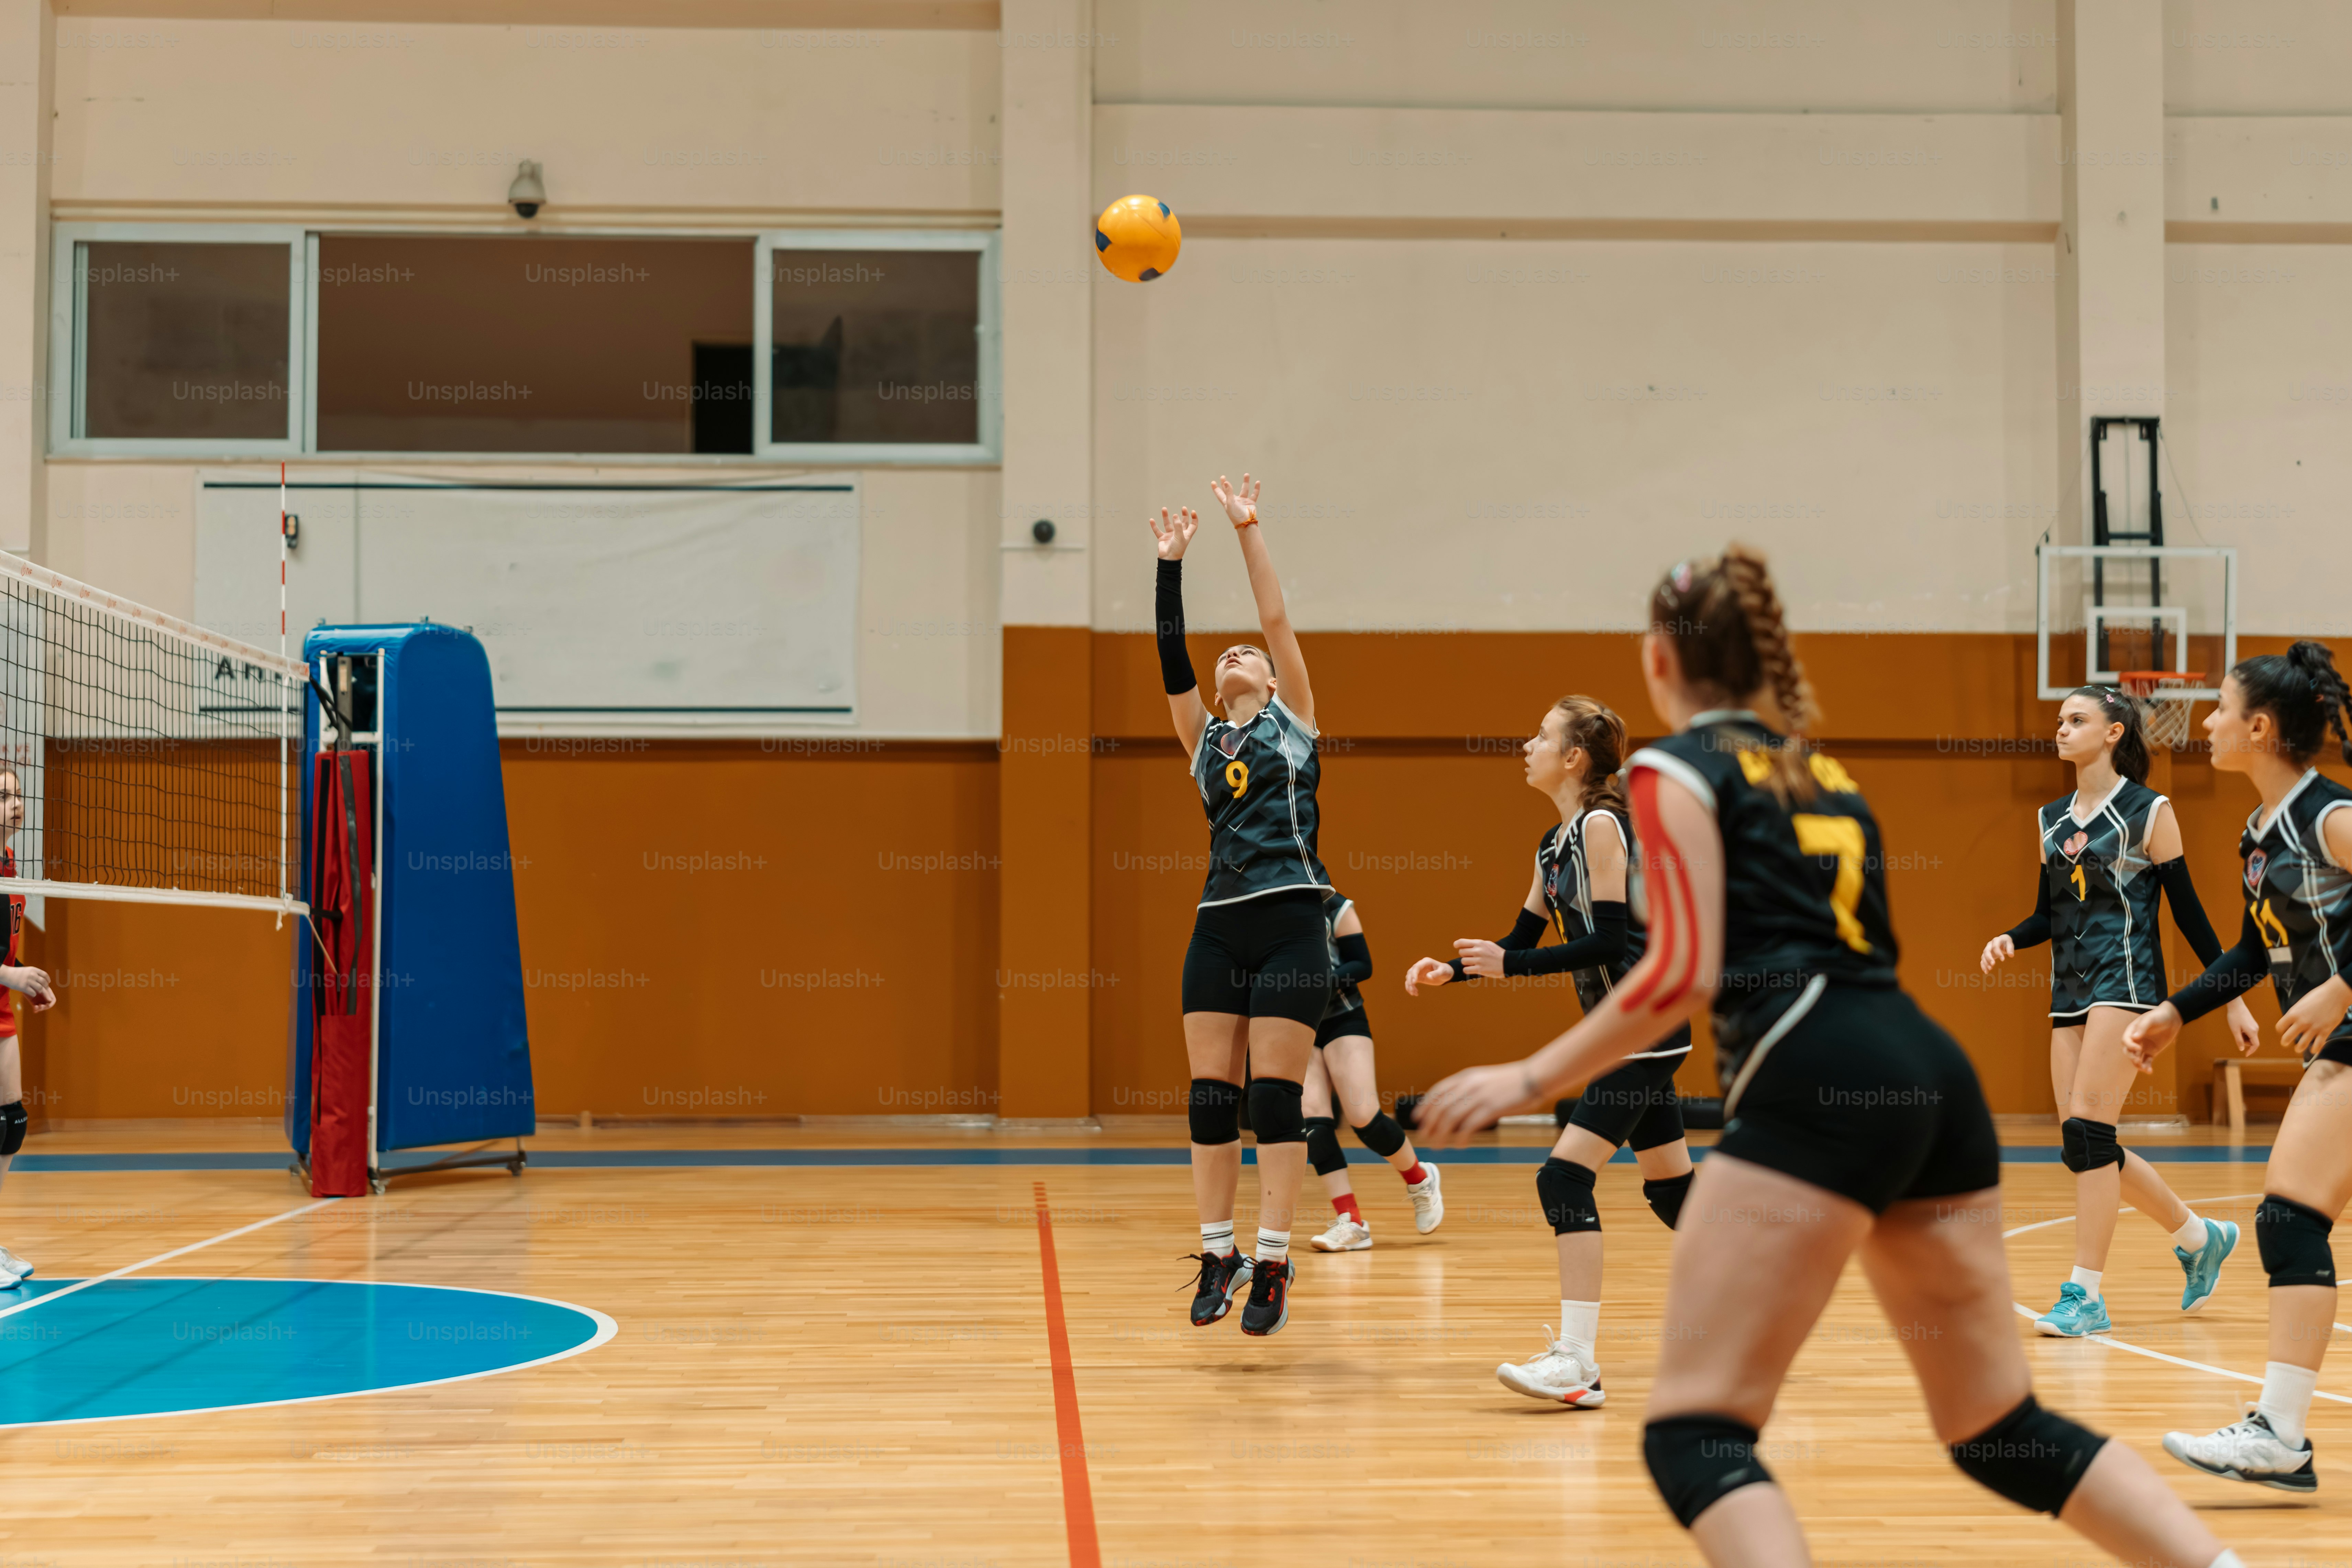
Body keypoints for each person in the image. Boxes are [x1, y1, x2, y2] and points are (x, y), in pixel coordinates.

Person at [1413, 548, 2238, 1568]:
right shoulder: (1822, 770)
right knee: (1994, 1424)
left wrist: (1527, 1076)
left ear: (1659, 660)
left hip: (1814, 1076)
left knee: (1693, 1434)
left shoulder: (1669, 770)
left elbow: (1673, 967)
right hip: (1928, 1073)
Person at [1403, 696, 1693, 1407]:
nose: (1525, 746)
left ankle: (1578, 1364)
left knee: (1561, 1178)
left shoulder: (1600, 825)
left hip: (1644, 1030)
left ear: (1573, 758)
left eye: (1540, 737)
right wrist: (1458, 967)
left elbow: (1611, 943)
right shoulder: (1551, 843)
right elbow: (1520, 942)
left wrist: (1509, 969)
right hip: (1619, 1033)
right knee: (1672, 1192)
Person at [2124, 641, 2352, 1493]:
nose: (2207, 722)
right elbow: (2256, 948)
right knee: (2291, 1223)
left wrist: (2340, 986)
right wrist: (2174, 1011)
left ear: (2257, 726)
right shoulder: (2260, 832)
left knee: (2288, 1220)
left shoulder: (2330, 818)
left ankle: (2278, 1433)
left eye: (2218, 708)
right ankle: (2279, 1433)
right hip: (2339, 1047)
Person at [1980, 686, 2255, 1335]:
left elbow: (2189, 915)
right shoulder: (2050, 818)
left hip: (2126, 983)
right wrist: (2010, 938)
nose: (2060, 729)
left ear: (2112, 733)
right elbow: (2047, 912)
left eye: (2076, 720)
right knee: (2083, 1144)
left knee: (2088, 1136)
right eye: (2058, 720)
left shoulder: (2147, 810)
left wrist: (2231, 997)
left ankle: (2085, 1294)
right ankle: (2197, 1235)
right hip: (2067, 989)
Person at [1157, 474, 1326, 1337]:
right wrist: (1168, 566)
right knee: (1208, 1096)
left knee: (1273, 1097)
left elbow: (1275, 621)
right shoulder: (1200, 738)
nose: (1235, 657)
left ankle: (1271, 1257)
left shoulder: (1292, 719)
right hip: (1219, 921)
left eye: (1244, 655)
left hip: (1293, 914)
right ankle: (1218, 1249)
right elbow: (1171, 659)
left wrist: (1246, 528)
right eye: (1224, 658)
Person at [1302, 891, 1442, 1252]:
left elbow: (1362, 964)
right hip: (1296, 1022)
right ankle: (1351, 1222)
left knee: (1363, 1115)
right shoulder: (1260, 910)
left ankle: (1420, 1179)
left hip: (1341, 1017)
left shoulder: (1334, 906)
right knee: (1314, 1121)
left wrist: (1319, 981)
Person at [0, 769, 56, 1287]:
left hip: (0, 1007)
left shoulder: (10, 864)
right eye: (3, 796)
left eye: (18, 794)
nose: (15, 803)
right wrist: (11, 975)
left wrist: (28, 977)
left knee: (10, 1123)